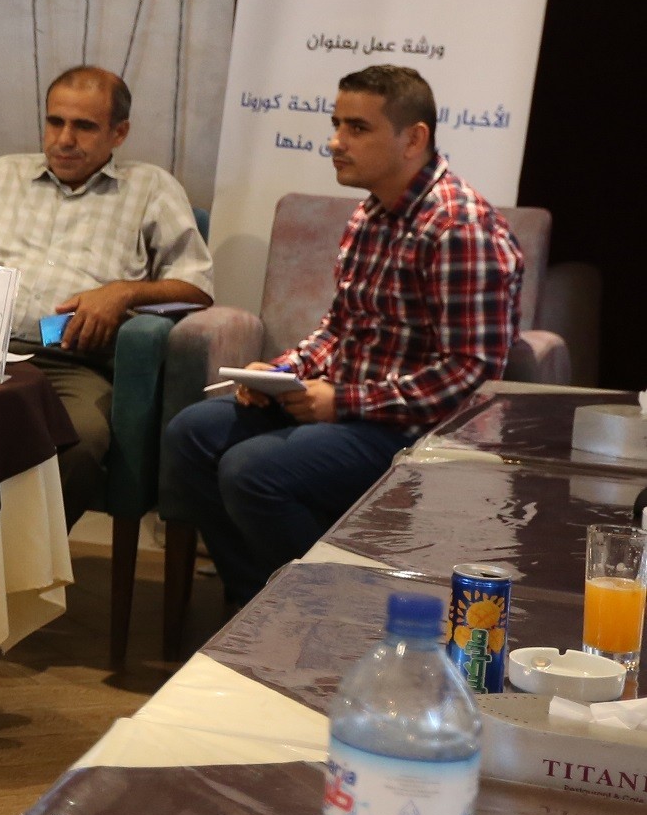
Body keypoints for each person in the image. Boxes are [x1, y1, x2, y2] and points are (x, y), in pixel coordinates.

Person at [161, 65, 524, 606]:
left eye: (357, 128)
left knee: (251, 469)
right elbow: (340, 328)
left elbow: (471, 374)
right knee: (190, 433)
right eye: (336, 124)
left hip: (417, 431)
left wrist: (344, 401)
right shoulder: (371, 212)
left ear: (413, 139)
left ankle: (330, 612)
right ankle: (257, 601)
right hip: (349, 410)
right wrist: (284, 373)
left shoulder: (458, 228)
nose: (335, 142)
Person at [0, 67, 214, 522]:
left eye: (84, 126)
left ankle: (22, 559)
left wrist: (122, 294)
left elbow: (196, 288)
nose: (65, 139)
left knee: (82, 440)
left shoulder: (151, 189)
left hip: (73, 361)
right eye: (55, 122)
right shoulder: (0, 175)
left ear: (119, 133)